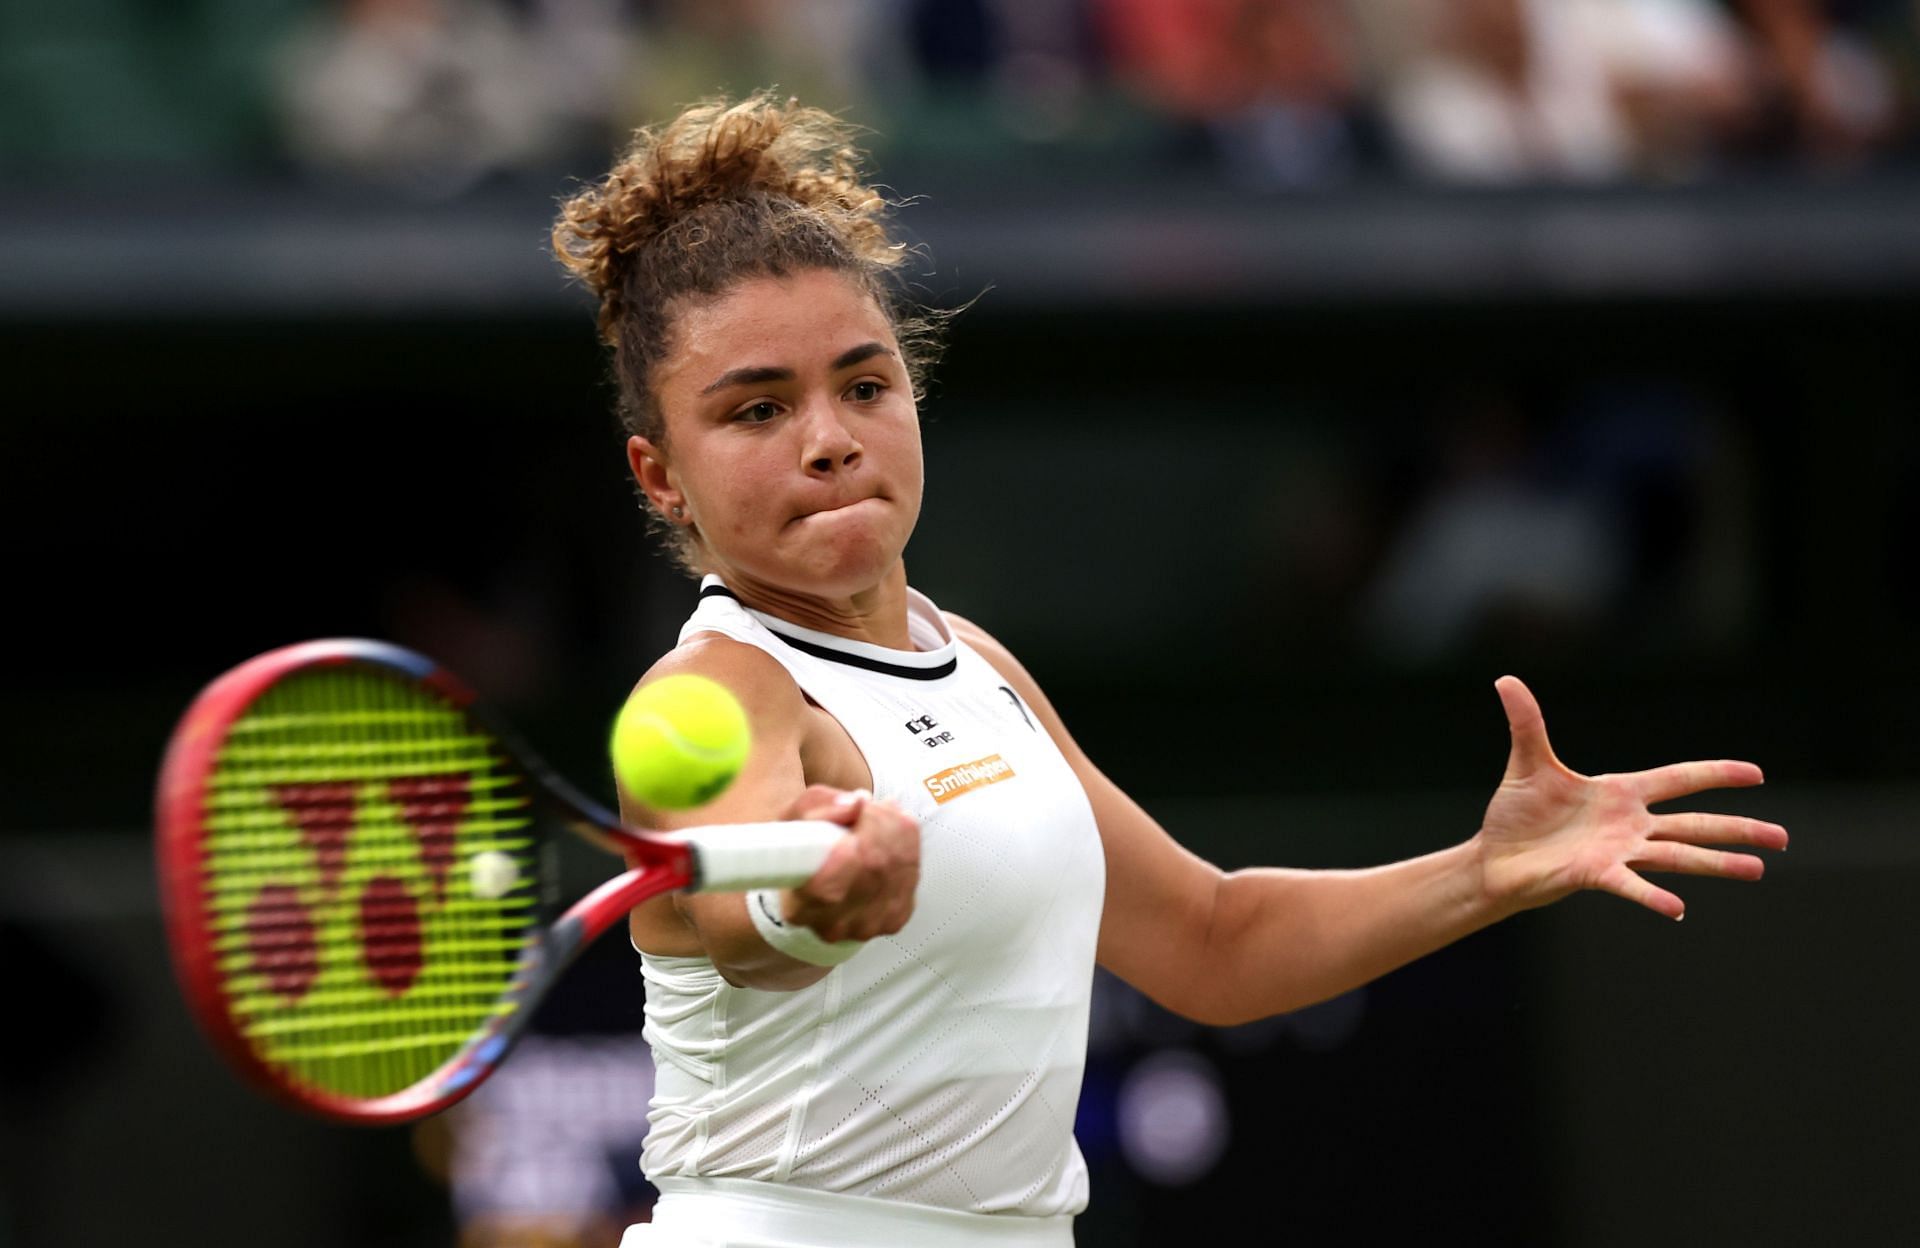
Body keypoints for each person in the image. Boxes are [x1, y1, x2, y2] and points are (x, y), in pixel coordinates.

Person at [551, 94, 1786, 1248]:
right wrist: (813, 902)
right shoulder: (712, 696)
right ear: (662, 475)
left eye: (864, 385)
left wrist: (1486, 873)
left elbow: (1212, 940)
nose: (829, 439)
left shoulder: (967, 659)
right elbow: (740, 916)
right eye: (756, 411)